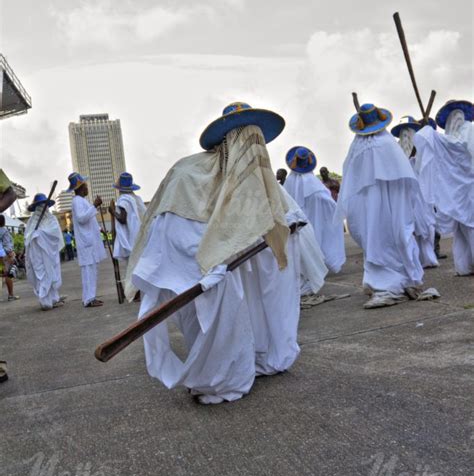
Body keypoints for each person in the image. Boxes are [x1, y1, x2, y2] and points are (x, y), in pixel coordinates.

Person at [125, 102, 321, 405]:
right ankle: (216, 378)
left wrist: (289, 225)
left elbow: (281, 214)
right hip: (195, 270)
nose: (254, 150)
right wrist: (207, 261)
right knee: (214, 316)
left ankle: (256, 356)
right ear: (227, 142)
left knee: (249, 306)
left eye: (258, 142)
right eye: (246, 140)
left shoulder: (256, 176)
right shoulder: (190, 173)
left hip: (229, 269)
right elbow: (172, 230)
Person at [335, 102, 426, 308]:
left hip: (381, 206)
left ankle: (389, 286)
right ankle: (388, 283)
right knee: (382, 241)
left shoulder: (371, 146)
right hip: (377, 206)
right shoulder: (378, 145)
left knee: (381, 241)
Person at [414, 100, 473, 276]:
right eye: (454, 115)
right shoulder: (451, 136)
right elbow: (448, 145)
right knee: (461, 229)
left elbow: (457, 147)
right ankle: (466, 266)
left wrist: (430, 133)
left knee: (470, 226)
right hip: (459, 192)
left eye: (458, 115)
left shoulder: (469, 130)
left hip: (469, 190)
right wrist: (429, 132)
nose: (457, 118)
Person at [284, 146, 345, 274]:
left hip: (299, 221)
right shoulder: (312, 181)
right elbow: (328, 201)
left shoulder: (289, 181)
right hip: (315, 220)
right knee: (317, 238)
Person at [390, 116, 439, 268]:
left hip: (421, 195)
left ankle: (428, 258)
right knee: (409, 229)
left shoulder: (420, 147)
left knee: (426, 228)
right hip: (405, 196)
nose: (406, 135)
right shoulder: (395, 151)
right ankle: (413, 260)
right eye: (403, 132)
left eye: (409, 131)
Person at [68, 173, 107, 307]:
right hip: (86, 243)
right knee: (88, 271)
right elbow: (81, 218)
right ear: (81, 187)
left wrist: (100, 229)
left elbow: (89, 220)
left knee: (91, 270)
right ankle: (89, 299)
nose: (87, 188)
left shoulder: (81, 201)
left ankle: (90, 297)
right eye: (85, 185)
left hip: (89, 242)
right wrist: (95, 205)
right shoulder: (77, 201)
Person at [25, 193, 66, 310]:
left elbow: (54, 234)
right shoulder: (31, 222)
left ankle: (54, 299)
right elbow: (27, 238)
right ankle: (45, 302)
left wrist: (39, 234)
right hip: (36, 254)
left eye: (43, 205)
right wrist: (33, 235)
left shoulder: (51, 219)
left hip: (49, 253)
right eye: (39, 206)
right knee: (41, 275)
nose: (42, 208)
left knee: (51, 274)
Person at [109, 172, 146, 265]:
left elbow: (122, 219)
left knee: (132, 267)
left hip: (131, 238)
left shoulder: (123, 199)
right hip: (140, 237)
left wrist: (113, 211)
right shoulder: (137, 198)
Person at [0, 214, 19, 301]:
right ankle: (11, 295)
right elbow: (7, 245)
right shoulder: (4, 231)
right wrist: (10, 254)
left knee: (1, 274)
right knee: (8, 275)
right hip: (4, 256)